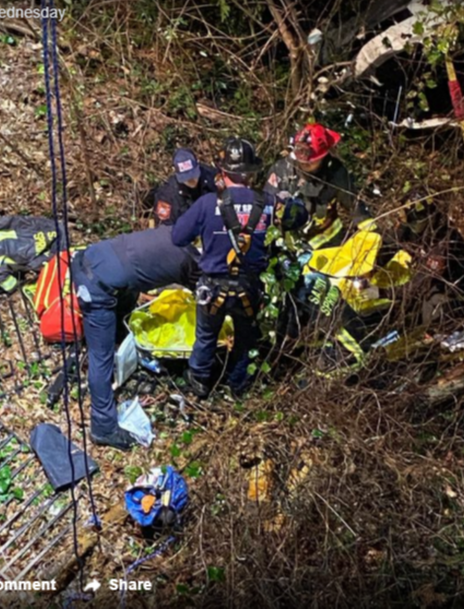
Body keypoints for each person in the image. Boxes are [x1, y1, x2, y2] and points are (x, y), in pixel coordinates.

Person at [172, 137, 308, 398]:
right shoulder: (269, 203)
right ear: (252, 173)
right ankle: (238, 386)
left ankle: (199, 384)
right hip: (250, 288)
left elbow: (178, 237)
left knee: (206, 337)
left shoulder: (206, 203)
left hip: (211, 288)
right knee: (245, 341)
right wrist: (290, 202)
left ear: (223, 172)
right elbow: (299, 218)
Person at [70, 225, 201, 450]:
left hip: (96, 258)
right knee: (100, 356)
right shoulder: (194, 263)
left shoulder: (177, 231)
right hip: (95, 285)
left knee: (127, 294)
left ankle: (121, 341)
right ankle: (103, 426)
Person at [263, 123, 370, 248]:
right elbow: (266, 209)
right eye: (301, 160)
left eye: (311, 162)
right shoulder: (281, 170)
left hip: (330, 244)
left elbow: (355, 206)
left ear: (323, 155)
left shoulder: (335, 172)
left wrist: (370, 234)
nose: (305, 164)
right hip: (288, 247)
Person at [147, 148, 219, 227]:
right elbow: (164, 229)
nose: (191, 180)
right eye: (187, 178)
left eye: (193, 175)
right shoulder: (167, 195)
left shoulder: (211, 176)